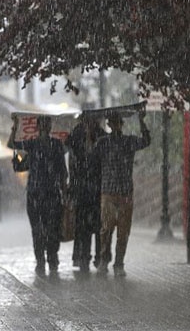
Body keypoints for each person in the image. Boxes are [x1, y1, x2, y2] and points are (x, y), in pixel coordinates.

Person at [8, 115, 68, 275]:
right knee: (38, 229)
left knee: (52, 229)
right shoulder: (32, 145)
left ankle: (52, 258)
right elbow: (12, 144)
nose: (45, 128)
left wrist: (65, 190)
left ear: (49, 127)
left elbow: (62, 171)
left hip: (52, 193)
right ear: (38, 127)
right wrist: (15, 126)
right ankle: (41, 260)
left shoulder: (56, 145)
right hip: (35, 194)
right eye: (42, 125)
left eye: (46, 125)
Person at [94, 110, 150, 277]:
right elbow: (91, 157)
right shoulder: (102, 143)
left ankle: (119, 263)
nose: (115, 125)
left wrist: (142, 122)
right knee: (106, 228)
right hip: (108, 191)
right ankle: (104, 259)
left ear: (121, 124)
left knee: (123, 231)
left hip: (125, 192)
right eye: (112, 122)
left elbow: (146, 141)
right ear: (109, 125)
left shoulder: (129, 141)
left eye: (117, 122)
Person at [66, 114, 107, 273]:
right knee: (82, 226)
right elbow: (71, 155)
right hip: (82, 188)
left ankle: (99, 257)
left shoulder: (101, 135)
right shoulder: (76, 135)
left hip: (96, 188)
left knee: (98, 226)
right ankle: (83, 257)